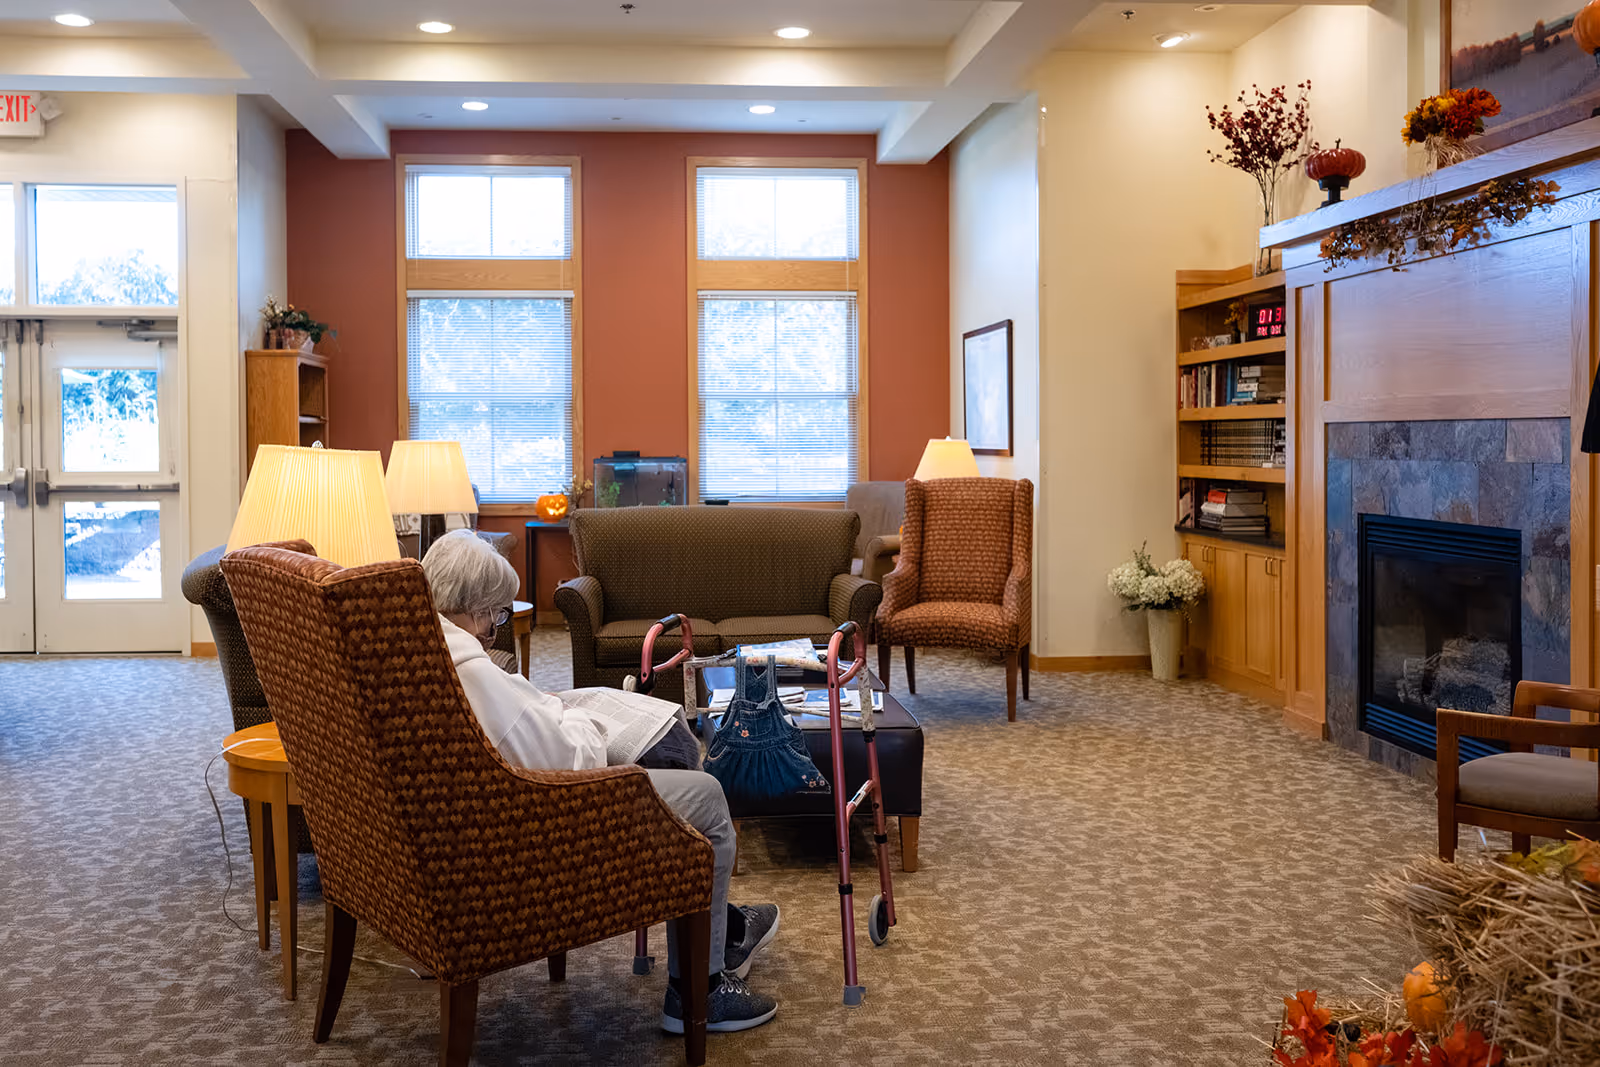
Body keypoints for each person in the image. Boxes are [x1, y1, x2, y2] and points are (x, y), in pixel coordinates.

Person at [420, 530, 779, 1034]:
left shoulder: (421, 651)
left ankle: (721, 927)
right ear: (472, 608)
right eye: (495, 615)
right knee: (705, 796)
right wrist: (580, 719)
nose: (494, 630)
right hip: (542, 817)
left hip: (489, 812)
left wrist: (552, 707)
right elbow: (570, 755)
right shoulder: (470, 669)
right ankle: (702, 989)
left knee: (675, 767)